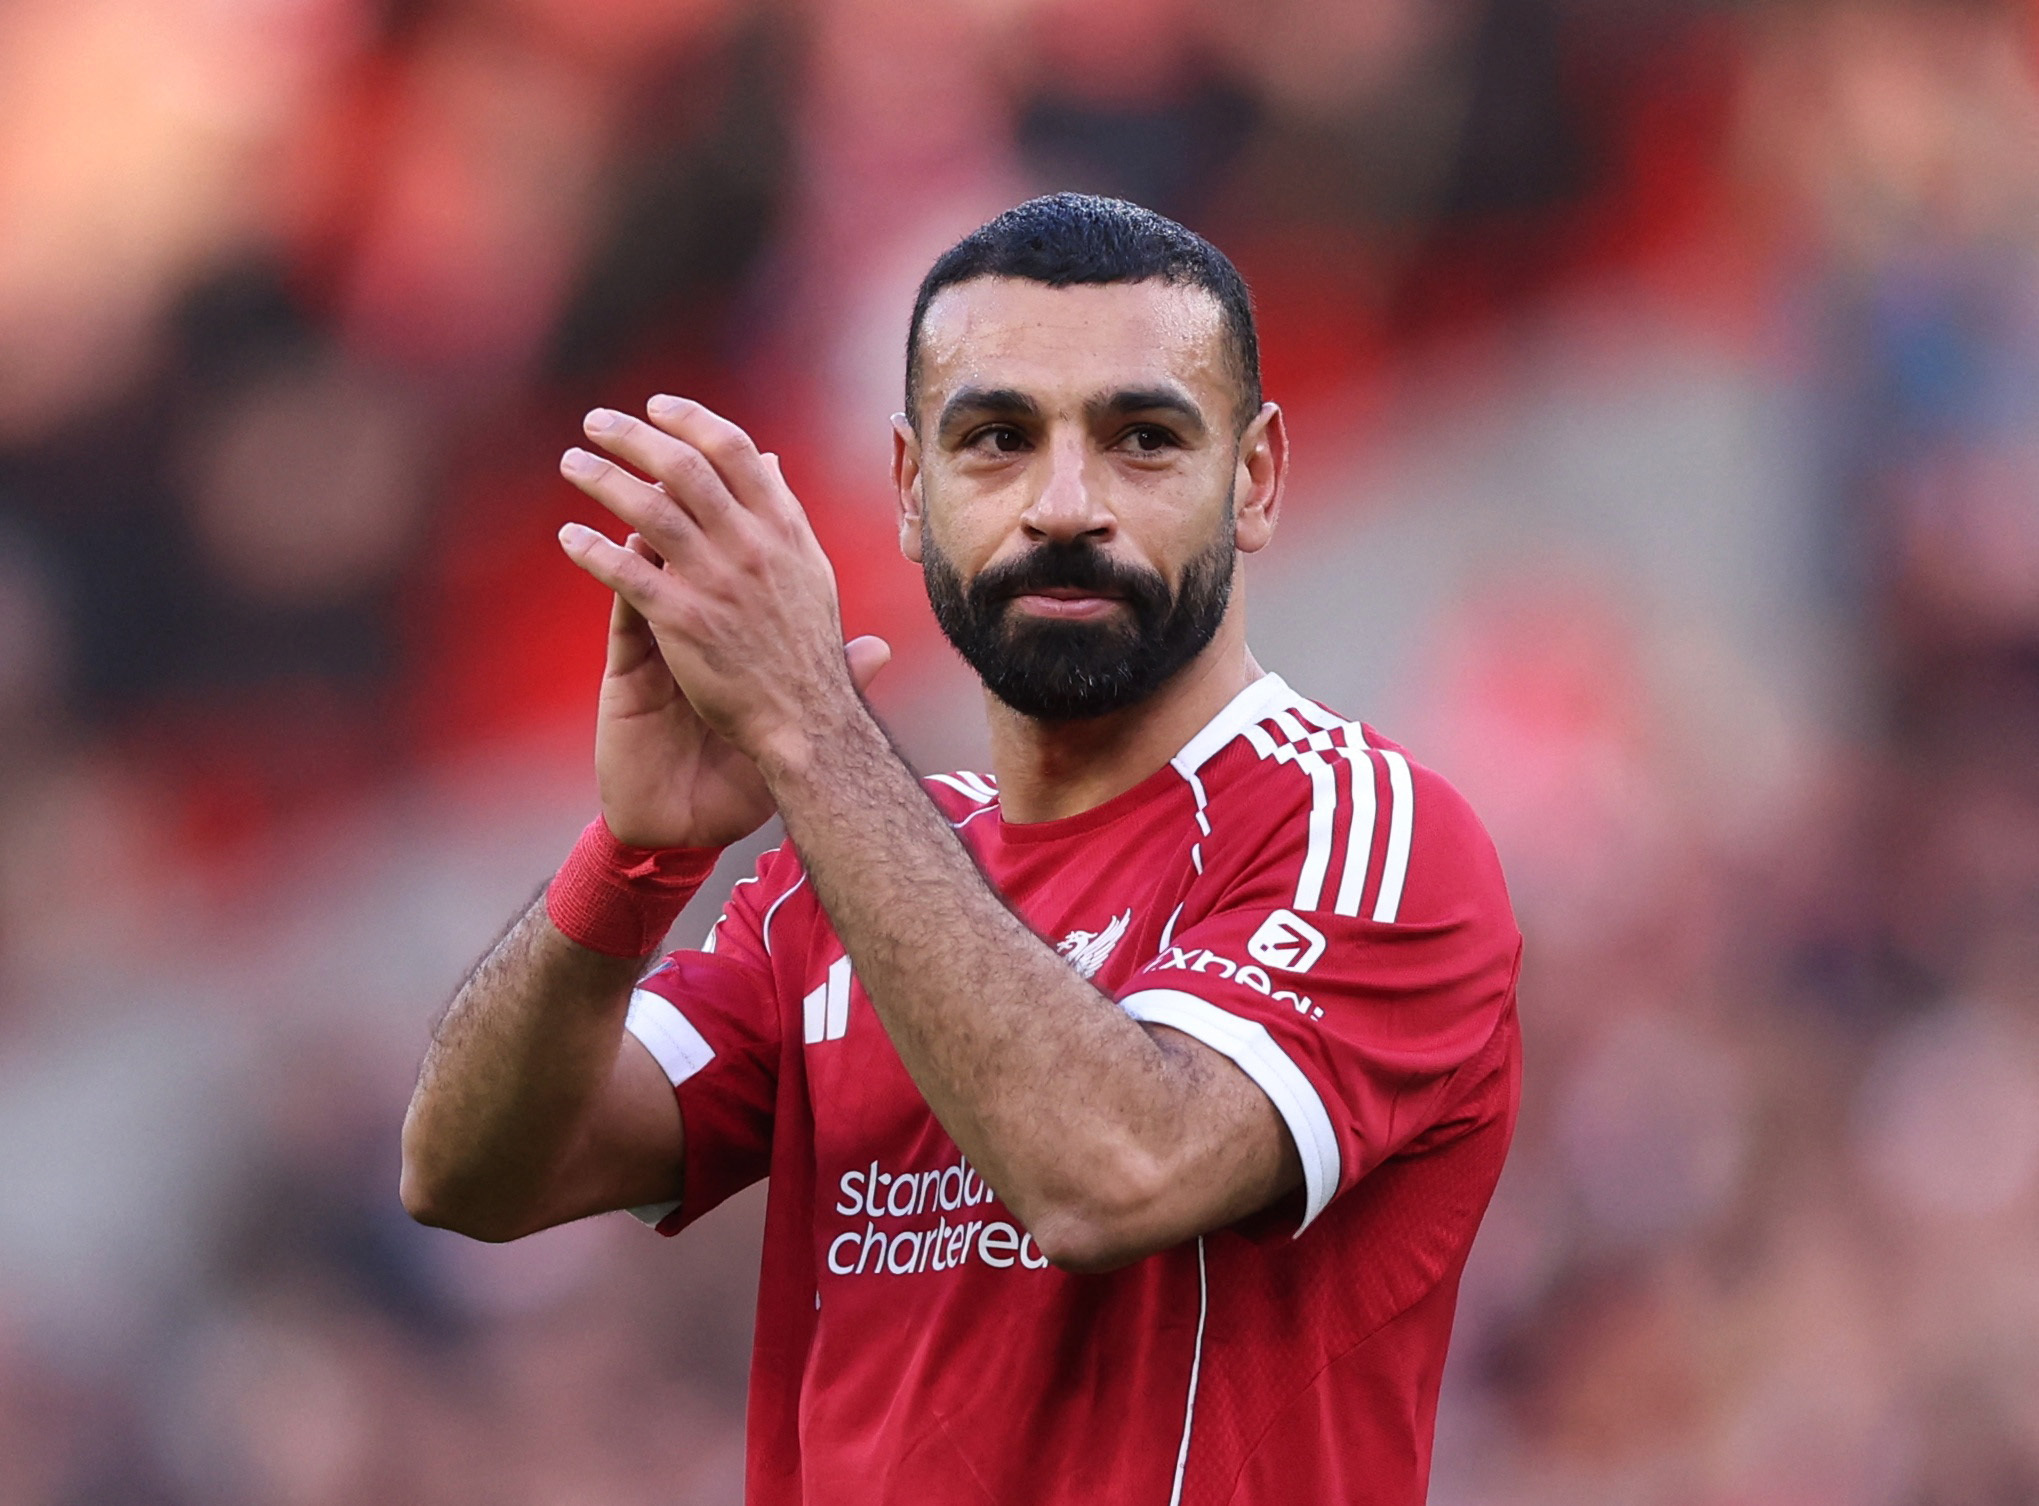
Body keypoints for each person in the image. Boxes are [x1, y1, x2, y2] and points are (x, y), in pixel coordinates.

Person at [400, 193, 1521, 1506]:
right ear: (908, 489)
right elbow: (470, 1175)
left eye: (1143, 439)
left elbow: (1111, 1173)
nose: (1065, 506)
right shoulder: (840, 878)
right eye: (997, 439)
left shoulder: (1365, 832)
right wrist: (634, 861)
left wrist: (816, 731)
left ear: (1256, 477)